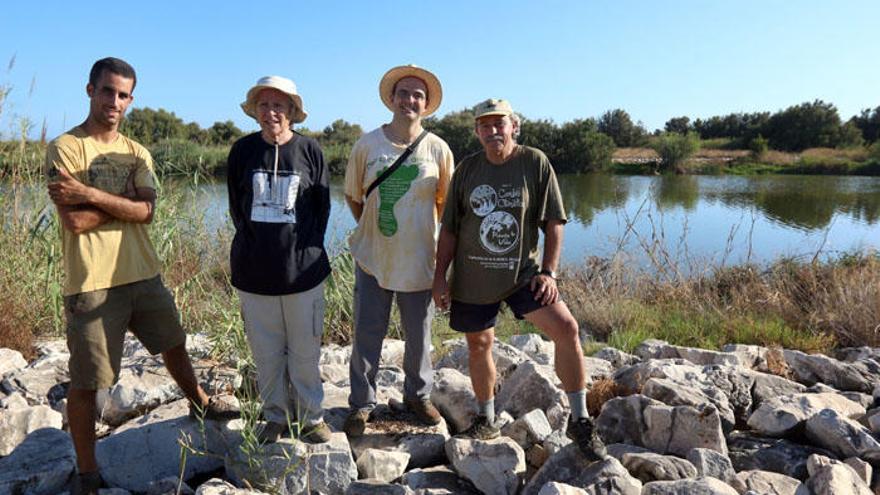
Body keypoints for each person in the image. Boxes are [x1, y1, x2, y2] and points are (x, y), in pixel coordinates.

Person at [46, 57, 239, 495]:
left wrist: (90, 194)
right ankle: (88, 471)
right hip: (92, 282)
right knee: (88, 380)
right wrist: (124, 201)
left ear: (131, 99)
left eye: (124, 94)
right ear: (90, 90)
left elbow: (147, 211)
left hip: (143, 272)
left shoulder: (136, 152)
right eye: (108, 91)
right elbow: (74, 223)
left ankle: (199, 402)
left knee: (173, 342)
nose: (115, 101)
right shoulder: (66, 148)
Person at [431, 98, 606, 460]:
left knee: (567, 329)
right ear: (477, 131)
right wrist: (439, 278)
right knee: (480, 345)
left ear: (514, 127)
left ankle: (581, 421)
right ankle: (487, 417)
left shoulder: (534, 162)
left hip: (522, 274)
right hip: (473, 276)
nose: (493, 130)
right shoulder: (467, 170)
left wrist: (548, 272)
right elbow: (449, 230)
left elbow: (554, 222)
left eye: (500, 124)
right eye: (485, 125)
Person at [342, 65, 454, 436]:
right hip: (375, 256)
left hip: (420, 257)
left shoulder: (438, 149)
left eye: (417, 95)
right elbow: (355, 198)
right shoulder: (367, 145)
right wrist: (376, 226)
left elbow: (445, 207)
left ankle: (418, 396)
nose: (409, 100)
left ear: (426, 104)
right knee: (366, 332)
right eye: (403, 93)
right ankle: (361, 404)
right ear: (392, 99)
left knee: (419, 335)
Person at [227, 75, 332, 444]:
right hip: (254, 273)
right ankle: (275, 417)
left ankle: (311, 417)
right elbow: (236, 209)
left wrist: (304, 251)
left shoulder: (310, 150)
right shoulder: (242, 151)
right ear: (255, 111)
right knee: (266, 353)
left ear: (292, 112)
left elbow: (321, 209)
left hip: (303, 274)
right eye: (264, 105)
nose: (271, 112)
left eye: (279, 105)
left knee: (305, 351)